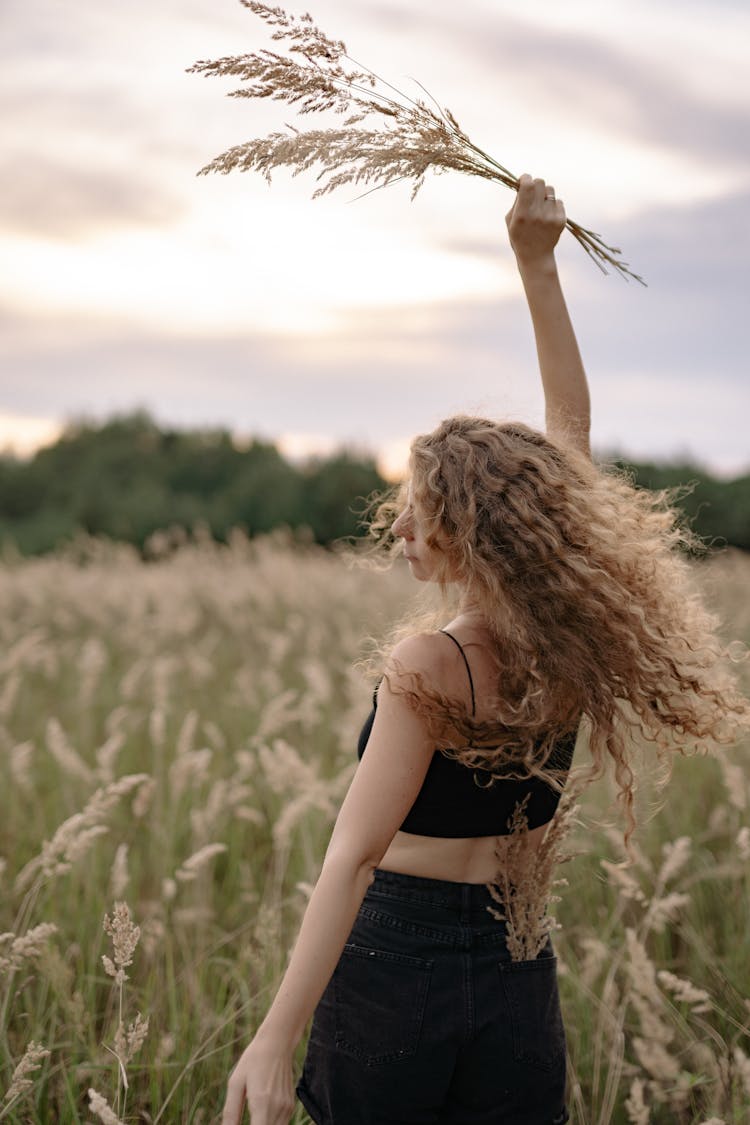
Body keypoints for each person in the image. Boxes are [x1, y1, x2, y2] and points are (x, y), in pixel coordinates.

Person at [221, 175, 748, 1125]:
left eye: (418, 520)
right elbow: (570, 440)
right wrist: (536, 266)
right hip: (518, 958)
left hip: (400, 960)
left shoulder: (429, 662)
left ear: (470, 533)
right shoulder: (574, 640)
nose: (401, 538)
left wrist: (272, 1036)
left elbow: (354, 854)